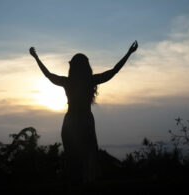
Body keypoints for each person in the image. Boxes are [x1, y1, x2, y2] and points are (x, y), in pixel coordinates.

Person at [30, 41, 138, 183]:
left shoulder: (68, 82)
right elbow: (114, 71)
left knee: (73, 161)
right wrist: (129, 53)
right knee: (88, 160)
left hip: (70, 123)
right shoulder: (90, 81)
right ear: (87, 67)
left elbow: (48, 75)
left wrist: (36, 57)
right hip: (85, 122)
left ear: (72, 67)